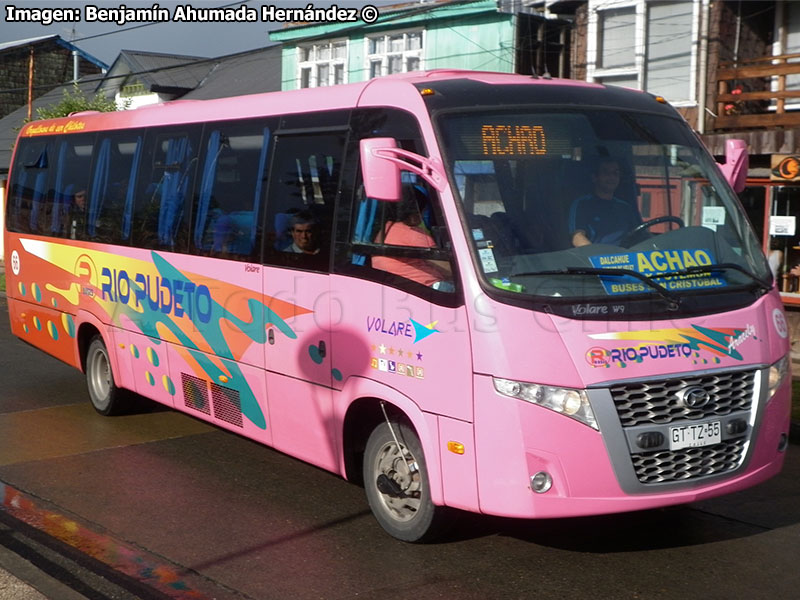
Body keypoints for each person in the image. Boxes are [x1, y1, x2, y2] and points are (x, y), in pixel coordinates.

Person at [372, 184, 451, 288]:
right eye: (422, 211)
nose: (422, 216)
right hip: (426, 287)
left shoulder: (385, 229)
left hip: (397, 284)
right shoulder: (413, 234)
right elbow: (447, 269)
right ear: (413, 213)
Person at [568, 157, 641, 247]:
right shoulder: (582, 204)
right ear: (594, 177)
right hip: (595, 258)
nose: (612, 177)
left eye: (616, 173)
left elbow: (640, 235)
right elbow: (577, 237)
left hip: (626, 258)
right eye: (606, 173)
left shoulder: (625, 207)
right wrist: (597, 257)